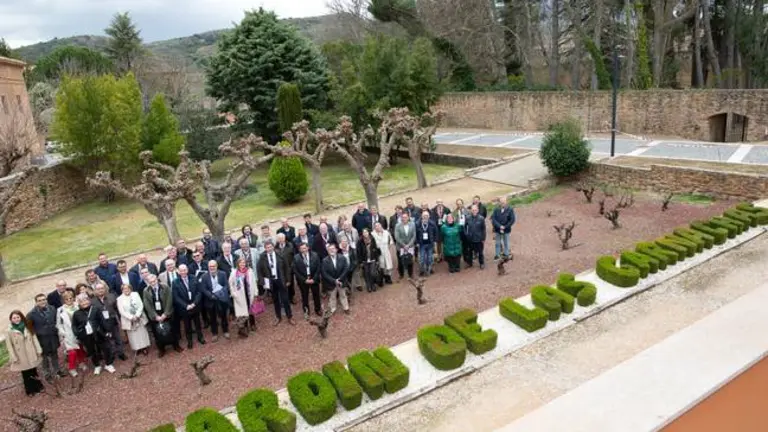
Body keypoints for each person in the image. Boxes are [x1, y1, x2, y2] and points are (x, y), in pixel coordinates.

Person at [72, 294, 116, 375]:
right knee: (91, 351)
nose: (84, 303)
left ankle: (108, 364)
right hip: (87, 336)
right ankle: (97, 365)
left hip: (99, 333)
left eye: (85, 300)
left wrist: (107, 330)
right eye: (81, 301)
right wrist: (79, 334)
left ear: (89, 300)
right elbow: (74, 326)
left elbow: (103, 320)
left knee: (106, 348)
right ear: (78, 303)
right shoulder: (76, 313)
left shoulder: (96, 309)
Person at [142, 274, 183, 357]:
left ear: (157, 280)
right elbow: (147, 304)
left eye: (154, 281)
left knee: (172, 330)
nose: (153, 283)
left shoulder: (165, 287)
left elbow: (169, 300)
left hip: (166, 312)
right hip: (155, 314)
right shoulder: (146, 290)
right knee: (157, 333)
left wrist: (165, 314)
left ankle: (176, 346)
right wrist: (155, 316)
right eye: (150, 282)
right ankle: (161, 349)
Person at [6, 310, 44, 396]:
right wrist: (14, 357)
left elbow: (34, 338)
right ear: (11, 319)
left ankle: (38, 386)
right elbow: (9, 346)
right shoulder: (9, 331)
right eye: (14, 318)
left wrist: (38, 349)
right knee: (26, 373)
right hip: (21, 355)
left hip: (31, 351)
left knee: (33, 370)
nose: (16, 319)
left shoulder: (28, 326)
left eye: (18, 317)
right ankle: (30, 390)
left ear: (21, 317)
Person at [258, 241, 294, 326]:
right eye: (267, 247)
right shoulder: (262, 257)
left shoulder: (280, 255)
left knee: (285, 299)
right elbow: (259, 271)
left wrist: (288, 280)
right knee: (275, 300)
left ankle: (290, 317)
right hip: (271, 281)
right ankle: (278, 317)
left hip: (281, 280)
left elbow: (287, 268)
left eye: (270, 247)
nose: (269, 249)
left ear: (273, 247)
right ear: (265, 248)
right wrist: (263, 282)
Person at [26, 294, 62, 380]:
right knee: (44, 358)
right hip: (41, 339)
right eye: (40, 300)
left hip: (53, 336)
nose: (42, 302)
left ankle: (57, 371)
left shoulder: (52, 308)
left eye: (44, 299)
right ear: (36, 302)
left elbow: (56, 320)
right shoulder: (31, 314)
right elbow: (29, 328)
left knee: (54, 354)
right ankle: (47, 374)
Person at [172, 264, 205, 348]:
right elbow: (176, 297)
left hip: (195, 306)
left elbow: (199, 292)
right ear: (178, 272)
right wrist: (186, 306)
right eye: (181, 270)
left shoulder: (194, 278)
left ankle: (200, 337)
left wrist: (194, 303)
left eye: (184, 270)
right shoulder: (175, 282)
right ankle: (189, 340)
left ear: (187, 270)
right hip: (184, 308)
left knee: (197, 323)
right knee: (187, 326)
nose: (183, 272)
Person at [56, 291, 88, 376]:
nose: (69, 300)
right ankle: (72, 368)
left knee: (80, 348)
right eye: (66, 299)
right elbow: (58, 324)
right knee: (72, 352)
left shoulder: (77, 305)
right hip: (68, 333)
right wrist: (63, 333)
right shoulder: (60, 310)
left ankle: (81, 363)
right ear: (63, 300)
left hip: (79, 330)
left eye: (70, 298)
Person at [92, 282, 126, 360]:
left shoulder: (111, 296)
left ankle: (121, 353)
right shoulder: (92, 301)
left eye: (102, 288)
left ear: (105, 289)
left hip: (113, 321)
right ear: (95, 290)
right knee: (108, 340)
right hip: (102, 324)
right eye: (98, 289)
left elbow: (116, 309)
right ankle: (112, 354)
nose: (100, 290)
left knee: (118, 338)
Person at [199, 260, 231, 341]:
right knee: (212, 318)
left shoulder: (223, 274)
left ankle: (225, 331)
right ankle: (214, 333)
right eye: (210, 266)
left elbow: (226, 285)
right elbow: (203, 289)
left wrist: (220, 293)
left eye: (213, 266)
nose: (212, 268)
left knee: (224, 316)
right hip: (210, 300)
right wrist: (211, 296)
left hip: (221, 299)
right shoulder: (204, 276)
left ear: (216, 266)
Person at [116, 284, 151, 356]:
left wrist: (137, 315)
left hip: (139, 317)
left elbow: (141, 305)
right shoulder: (119, 299)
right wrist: (131, 317)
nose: (126, 290)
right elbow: (121, 311)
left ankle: (144, 347)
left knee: (142, 333)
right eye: (124, 289)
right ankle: (137, 348)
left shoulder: (135, 294)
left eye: (128, 288)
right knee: (133, 336)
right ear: (122, 290)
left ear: (130, 289)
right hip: (129, 320)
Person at [229, 258, 258, 336]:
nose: (242, 264)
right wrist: (233, 294)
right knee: (242, 312)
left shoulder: (250, 271)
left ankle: (252, 324)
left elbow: (254, 282)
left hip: (249, 294)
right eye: (241, 263)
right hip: (240, 296)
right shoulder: (234, 272)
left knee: (251, 309)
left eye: (244, 263)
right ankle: (244, 327)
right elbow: (231, 284)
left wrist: (256, 293)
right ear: (238, 264)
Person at [293, 242, 322, 319]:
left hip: (314, 279)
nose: (304, 250)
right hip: (303, 281)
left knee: (316, 295)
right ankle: (306, 311)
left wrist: (314, 279)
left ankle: (318, 309)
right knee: (304, 296)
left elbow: (318, 267)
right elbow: (295, 271)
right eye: (302, 248)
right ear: (299, 249)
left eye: (305, 248)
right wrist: (304, 280)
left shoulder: (315, 255)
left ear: (308, 248)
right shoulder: (296, 258)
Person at [321, 244, 350, 315]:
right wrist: (334, 280)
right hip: (331, 283)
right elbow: (324, 273)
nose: (331, 250)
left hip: (341, 281)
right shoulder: (324, 260)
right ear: (327, 251)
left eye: (333, 249)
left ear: (336, 250)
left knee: (343, 295)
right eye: (329, 249)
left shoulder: (342, 258)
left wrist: (340, 279)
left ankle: (346, 308)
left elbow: (346, 269)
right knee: (332, 297)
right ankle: (333, 309)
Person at [415, 210, 438, 276]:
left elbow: (436, 233)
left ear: (429, 216)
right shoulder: (417, 224)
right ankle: (422, 270)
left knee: (430, 258)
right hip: (421, 244)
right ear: (422, 216)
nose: (425, 217)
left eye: (427, 215)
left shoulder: (432, 223)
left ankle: (429, 269)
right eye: (424, 215)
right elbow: (415, 234)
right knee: (422, 258)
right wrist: (417, 242)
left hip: (430, 243)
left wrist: (435, 241)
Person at [275, 233, 296, 304]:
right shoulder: (275, 247)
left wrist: (292, 266)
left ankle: (291, 297)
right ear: (277, 239)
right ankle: (284, 298)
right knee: (282, 283)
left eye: (282, 238)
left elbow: (294, 256)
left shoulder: (290, 245)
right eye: (279, 238)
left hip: (289, 268)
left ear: (284, 238)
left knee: (291, 283)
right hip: (280, 269)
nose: (281, 240)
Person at [465, 204, 487, 269]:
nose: (474, 211)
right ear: (471, 210)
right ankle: (470, 263)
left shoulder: (481, 218)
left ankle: (481, 263)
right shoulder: (468, 218)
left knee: (480, 252)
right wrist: (466, 234)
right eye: (473, 210)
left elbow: (483, 229)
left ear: (477, 210)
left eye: (475, 210)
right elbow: (465, 226)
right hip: (470, 238)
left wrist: (483, 238)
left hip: (479, 238)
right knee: (470, 252)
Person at [394, 213, 416, 279]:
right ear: (401, 218)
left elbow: (414, 236)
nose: (404, 218)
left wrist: (408, 245)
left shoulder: (412, 224)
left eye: (406, 217)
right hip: (400, 247)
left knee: (410, 261)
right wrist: (404, 245)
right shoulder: (397, 225)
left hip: (410, 246)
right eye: (403, 217)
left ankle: (410, 274)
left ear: (408, 218)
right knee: (400, 261)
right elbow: (397, 237)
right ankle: (401, 274)